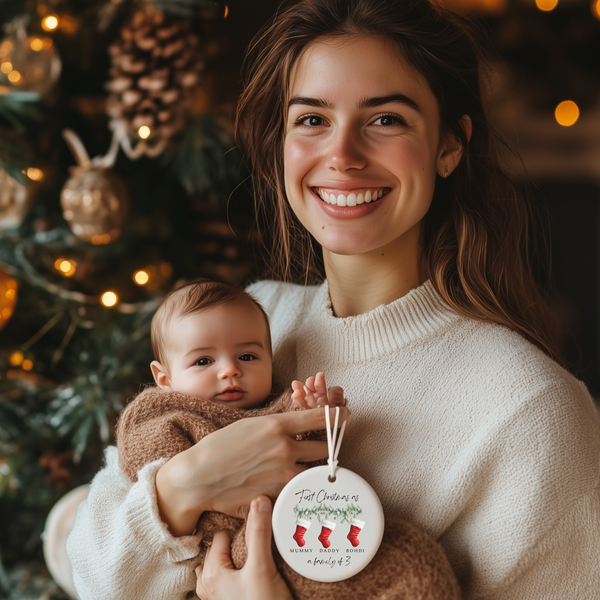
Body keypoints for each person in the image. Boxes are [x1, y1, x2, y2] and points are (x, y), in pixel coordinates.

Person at [67, 0, 600, 598]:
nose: (342, 154)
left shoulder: (528, 410)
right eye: (312, 120)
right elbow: (94, 570)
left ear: (450, 145)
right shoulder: (248, 322)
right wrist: (183, 488)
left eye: (386, 120)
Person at [115, 278, 460, 600]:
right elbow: (139, 454)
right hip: (237, 545)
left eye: (247, 356)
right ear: (164, 378)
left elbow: (307, 452)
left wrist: (315, 412)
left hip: (304, 522)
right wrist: (179, 484)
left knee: (410, 557)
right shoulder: (165, 412)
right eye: (203, 360)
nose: (229, 370)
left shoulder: (277, 406)